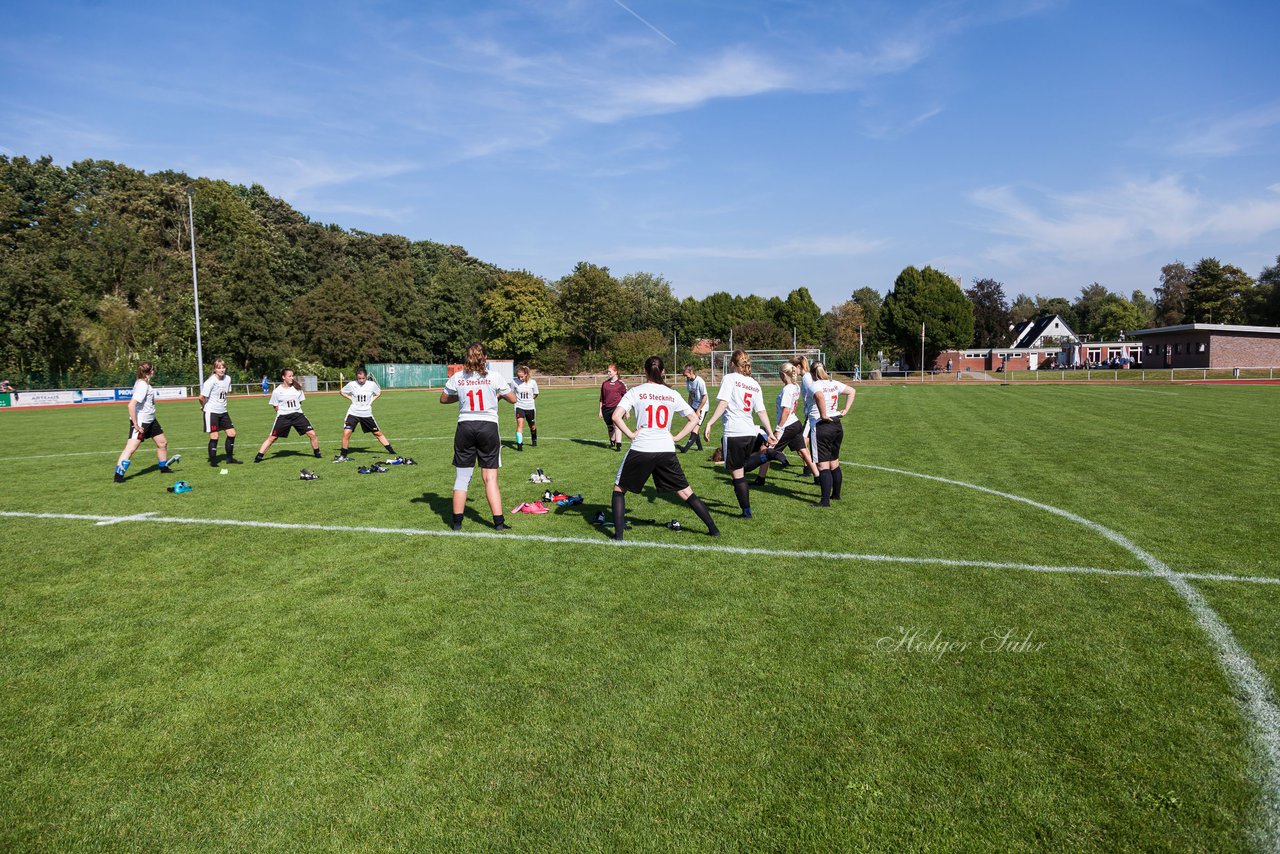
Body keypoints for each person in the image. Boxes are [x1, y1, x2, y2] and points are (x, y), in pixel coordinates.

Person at [610, 355, 719, 540]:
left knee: (619, 489)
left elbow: (615, 416)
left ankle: (619, 537)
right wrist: (676, 437)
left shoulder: (636, 391)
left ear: (645, 371)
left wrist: (630, 434)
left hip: (642, 448)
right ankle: (713, 529)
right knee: (685, 492)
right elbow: (694, 419)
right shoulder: (672, 393)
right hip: (666, 449)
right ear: (663, 372)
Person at [441, 342, 517, 531]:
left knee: (462, 477)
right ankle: (499, 523)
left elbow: (443, 399)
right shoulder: (494, 376)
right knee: (490, 478)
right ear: (484, 357)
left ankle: (457, 524)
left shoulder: (458, 376)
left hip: (465, 425)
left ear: (467, 357)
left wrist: (460, 396)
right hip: (488, 426)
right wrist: (498, 395)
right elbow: (513, 399)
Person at [702, 350, 773, 518]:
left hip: (734, 431)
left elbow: (724, 403)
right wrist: (770, 432)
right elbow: (761, 411)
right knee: (740, 469)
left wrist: (710, 422)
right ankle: (746, 510)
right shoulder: (754, 384)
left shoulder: (730, 378)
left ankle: (746, 511)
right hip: (750, 432)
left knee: (736, 472)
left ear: (732, 363)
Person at [113, 361, 181, 482]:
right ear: (150, 371)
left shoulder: (144, 383)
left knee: (162, 443)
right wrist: (136, 425)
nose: (155, 371)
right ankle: (118, 476)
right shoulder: (142, 385)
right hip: (141, 422)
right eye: (154, 369)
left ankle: (163, 467)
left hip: (151, 419)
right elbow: (131, 405)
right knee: (131, 448)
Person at [806, 361, 855, 507]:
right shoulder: (834, 383)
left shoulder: (814, 385)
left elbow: (820, 397)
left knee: (823, 466)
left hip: (822, 426)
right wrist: (845, 410)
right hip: (836, 424)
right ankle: (836, 495)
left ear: (812, 373)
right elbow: (852, 391)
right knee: (834, 462)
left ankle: (825, 501)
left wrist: (823, 414)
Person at [254, 369, 321, 462]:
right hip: (283, 417)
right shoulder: (277, 391)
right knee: (272, 438)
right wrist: (284, 412)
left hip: (298, 415)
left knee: (312, 434)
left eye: (292, 376)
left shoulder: (297, 388)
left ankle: (317, 454)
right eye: (289, 376)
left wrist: (294, 410)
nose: (292, 378)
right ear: (283, 377)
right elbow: (275, 406)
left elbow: (300, 402)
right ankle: (258, 457)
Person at [334, 366, 397, 461]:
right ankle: (343, 455)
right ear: (356, 377)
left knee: (377, 433)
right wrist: (350, 398)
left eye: (363, 378)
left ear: (366, 377)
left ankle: (392, 451)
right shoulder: (352, 384)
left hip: (366, 414)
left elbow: (378, 393)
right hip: (353, 413)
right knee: (346, 433)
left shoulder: (371, 385)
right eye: (359, 378)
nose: (361, 380)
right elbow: (342, 392)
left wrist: (372, 400)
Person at [771, 362, 820, 483]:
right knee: (803, 450)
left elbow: (786, 411)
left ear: (783, 374)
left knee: (768, 449)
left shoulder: (787, 389)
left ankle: (759, 478)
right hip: (795, 423)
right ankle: (818, 476)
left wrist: (778, 428)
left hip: (788, 425)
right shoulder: (796, 386)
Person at [199, 358, 241, 466]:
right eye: (219, 368)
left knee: (232, 433)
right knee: (215, 436)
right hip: (211, 412)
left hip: (223, 411)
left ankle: (230, 459)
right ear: (214, 369)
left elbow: (224, 393)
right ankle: (213, 462)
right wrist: (203, 406)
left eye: (223, 367)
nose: (222, 370)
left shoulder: (228, 379)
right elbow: (201, 397)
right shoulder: (210, 381)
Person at [678, 364, 709, 453]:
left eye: (686, 374)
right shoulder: (688, 381)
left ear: (691, 372)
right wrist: (689, 408)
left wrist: (698, 411)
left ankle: (685, 449)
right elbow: (690, 395)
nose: (685, 377)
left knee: (694, 429)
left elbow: (705, 397)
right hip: (694, 405)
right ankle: (700, 448)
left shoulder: (700, 381)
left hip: (703, 407)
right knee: (692, 426)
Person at [599, 363, 627, 451]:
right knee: (610, 427)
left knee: (617, 426)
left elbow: (626, 398)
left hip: (617, 408)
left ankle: (619, 445)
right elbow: (601, 398)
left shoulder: (621, 384)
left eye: (610, 371)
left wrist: (626, 411)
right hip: (606, 408)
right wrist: (600, 410)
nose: (608, 373)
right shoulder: (605, 384)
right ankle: (612, 441)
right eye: (608, 371)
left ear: (615, 372)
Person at [512, 364, 539, 452]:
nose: (520, 379)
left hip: (530, 407)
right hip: (519, 406)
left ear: (526, 374)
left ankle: (534, 439)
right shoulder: (514, 382)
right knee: (520, 425)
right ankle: (519, 445)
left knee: (532, 426)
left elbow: (536, 394)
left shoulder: (533, 382)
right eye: (518, 377)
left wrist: (529, 400)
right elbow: (512, 393)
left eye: (522, 377)